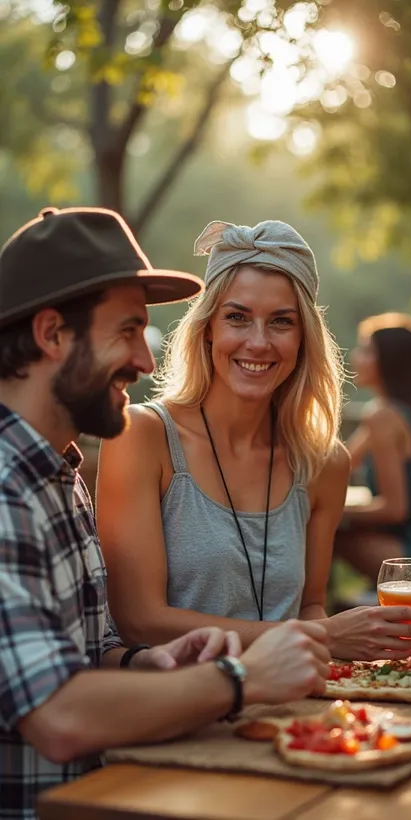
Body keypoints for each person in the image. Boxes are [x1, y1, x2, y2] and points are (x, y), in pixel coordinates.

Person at [0, 207, 333, 820]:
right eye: (127, 332)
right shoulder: (4, 493)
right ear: (51, 335)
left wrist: (150, 660)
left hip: (128, 789)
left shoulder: (58, 476)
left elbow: (91, 650)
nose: (146, 361)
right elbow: (60, 718)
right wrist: (237, 678)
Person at [97, 219, 411, 660]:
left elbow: (310, 605)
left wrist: (323, 636)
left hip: (288, 710)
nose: (258, 342)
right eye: (237, 317)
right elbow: (140, 619)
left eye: (281, 322)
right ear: (208, 327)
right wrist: (323, 638)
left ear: (303, 339)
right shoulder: (142, 434)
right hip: (176, 708)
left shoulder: (324, 463)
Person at [336, 312, 411, 583]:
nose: (355, 357)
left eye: (367, 351)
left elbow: (394, 509)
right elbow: (340, 463)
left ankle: (313, 615)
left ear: (389, 363)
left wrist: (326, 509)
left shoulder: (384, 416)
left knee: (324, 532)